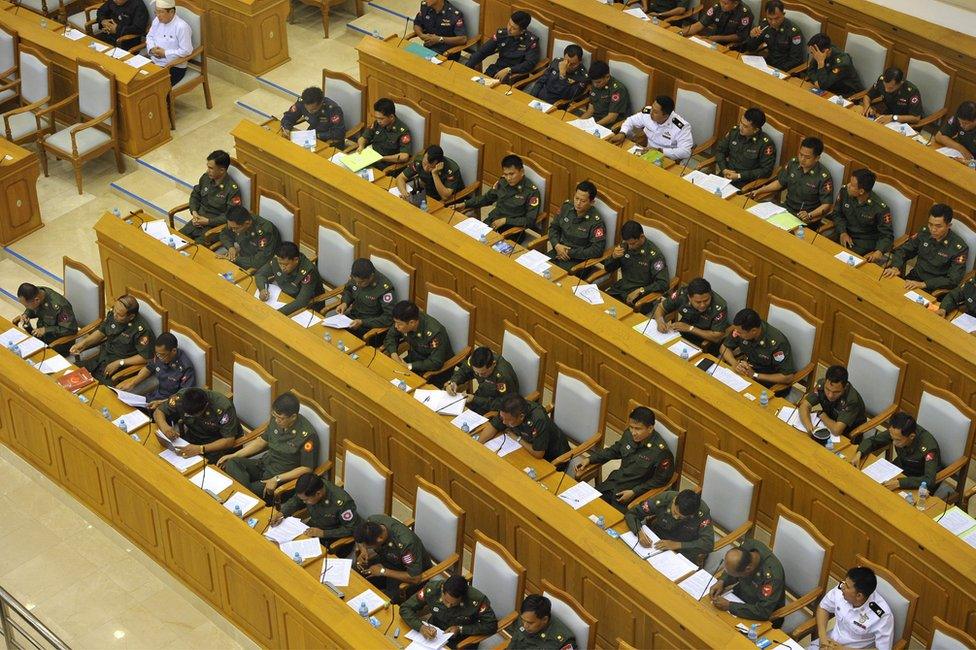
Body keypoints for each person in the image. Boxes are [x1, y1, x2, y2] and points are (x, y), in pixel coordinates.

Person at [218, 392, 318, 499]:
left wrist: (277, 479)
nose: (276, 420)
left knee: (247, 489)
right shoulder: (276, 419)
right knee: (232, 462)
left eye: (280, 418)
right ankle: (245, 494)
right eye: (275, 416)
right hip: (264, 464)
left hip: (281, 475)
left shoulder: (307, 435)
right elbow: (262, 441)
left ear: (293, 417)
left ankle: (243, 494)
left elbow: (307, 468)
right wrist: (234, 455)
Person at [577, 406, 674, 512]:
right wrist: (590, 459)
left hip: (629, 496)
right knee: (583, 507)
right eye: (632, 427)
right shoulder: (629, 434)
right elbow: (615, 450)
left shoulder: (661, 452)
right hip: (612, 484)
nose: (633, 432)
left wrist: (635, 491)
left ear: (650, 428)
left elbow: (660, 480)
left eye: (638, 429)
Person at [851, 412, 948, 497]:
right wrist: (860, 453)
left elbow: (929, 480)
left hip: (917, 479)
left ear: (911, 436)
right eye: (892, 437)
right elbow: (873, 441)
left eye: (897, 440)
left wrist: (899, 483)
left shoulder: (928, 448)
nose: (893, 442)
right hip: (901, 467)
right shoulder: (897, 431)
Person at [69, 294, 153, 386]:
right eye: (115, 311)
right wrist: (83, 344)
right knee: (69, 375)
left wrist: (120, 363)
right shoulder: (114, 313)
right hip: (100, 359)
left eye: (119, 314)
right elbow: (102, 331)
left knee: (96, 393)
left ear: (131, 317)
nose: (114, 315)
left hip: (116, 369)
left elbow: (146, 357)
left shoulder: (142, 330)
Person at [749, 136, 833, 226]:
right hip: (786, 209)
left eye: (807, 157)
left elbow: (826, 205)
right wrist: (758, 191)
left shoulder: (823, 176)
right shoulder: (793, 163)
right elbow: (779, 183)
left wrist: (810, 215)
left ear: (817, 158)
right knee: (754, 216)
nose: (802, 159)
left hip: (804, 218)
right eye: (801, 155)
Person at [883, 204, 968, 292]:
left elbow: (953, 280)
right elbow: (904, 250)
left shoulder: (959, 248)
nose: (933, 229)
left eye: (938, 226)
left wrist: (923, 284)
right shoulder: (924, 232)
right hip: (913, 279)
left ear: (948, 225)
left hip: (933, 288)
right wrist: (895, 267)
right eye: (930, 224)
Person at [400, 576, 499, 648]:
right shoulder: (432, 589)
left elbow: (491, 626)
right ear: (442, 589)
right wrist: (420, 627)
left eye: (453, 604)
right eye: (446, 601)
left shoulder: (476, 600)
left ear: (462, 597)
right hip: (434, 632)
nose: (448, 605)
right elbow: (405, 608)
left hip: (461, 640)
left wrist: (461, 629)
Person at [811, 567, 894, 650]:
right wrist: (822, 637)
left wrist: (843, 649)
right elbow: (824, 607)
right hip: (829, 642)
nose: (842, 586)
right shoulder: (842, 589)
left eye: (847, 586)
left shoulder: (882, 616)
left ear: (859, 596)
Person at [624, 489, 715, 565]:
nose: (676, 517)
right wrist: (639, 532)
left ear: (691, 515)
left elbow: (708, 544)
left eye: (681, 517)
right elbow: (633, 513)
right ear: (674, 501)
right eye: (675, 512)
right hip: (656, 543)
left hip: (682, 552)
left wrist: (677, 545)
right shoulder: (665, 499)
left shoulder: (701, 513)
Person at [354, 516, 432, 601]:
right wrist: (363, 550)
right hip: (386, 560)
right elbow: (360, 540)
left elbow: (415, 578)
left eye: (368, 546)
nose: (365, 547)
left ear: (380, 539)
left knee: (384, 601)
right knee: (355, 572)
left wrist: (382, 571)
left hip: (407, 572)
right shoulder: (372, 522)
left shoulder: (406, 545)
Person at [462, 154, 541, 240]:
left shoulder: (531, 191)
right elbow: (486, 198)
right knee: (470, 239)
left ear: (522, 172)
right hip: (493, 221)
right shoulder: (502, 182)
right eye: (505, 174)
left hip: (512, 230)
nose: (508, 178)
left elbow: (530, 220)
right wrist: (464, 204)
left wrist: (505, 220)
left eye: (511, 174)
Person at [154, 386, 241, 462]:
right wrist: (165, 427)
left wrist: (200, 449)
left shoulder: (223, 407)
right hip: (194, 436)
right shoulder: (181, 397)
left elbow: (228, 440)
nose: (189, 416)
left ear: (206, 406)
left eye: (193, 414)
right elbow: (159, 411)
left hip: (217, 443)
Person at [272, 473, 362, 544]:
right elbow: (296, 500)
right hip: (313, 527)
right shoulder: (309, 488)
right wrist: (282, 513)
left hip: (332, 537)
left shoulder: (343, 503)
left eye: (306, 500)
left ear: (318, 494)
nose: (304, 502)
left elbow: (351, 529)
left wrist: (323, 533)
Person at [708, 540, 786, 622]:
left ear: (748, 569)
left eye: (735, 575)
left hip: (760, 615)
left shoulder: (772, 577)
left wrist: (729, 606)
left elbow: (763, 611)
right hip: (740, 597)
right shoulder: (747, 547)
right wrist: (722, 581)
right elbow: (734, 568)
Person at [719, 308, 795, 390]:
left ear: (754, 331)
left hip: (769, 385)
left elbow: (788, 377)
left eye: (740, 333)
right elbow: (724, 347)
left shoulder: (777, 343)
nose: (736, 333)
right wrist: (735, 364)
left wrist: (755, 375)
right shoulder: (741, 329)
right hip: (746, 375)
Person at [481, 395, 569, 464]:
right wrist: (478, 444)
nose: (503, 422)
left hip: (553, 456)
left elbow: (539, 453)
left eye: (508, 420)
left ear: (521, 416)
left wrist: (518, 438)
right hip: (525, 449)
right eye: (502, 418)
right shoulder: (507, 411)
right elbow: (494, 426)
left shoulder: (538, 419)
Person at [114, 332, 195, 406]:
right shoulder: (160, 353)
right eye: (157, 354)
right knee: (123, 400)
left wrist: (161, 403)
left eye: (162, 355)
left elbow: (182, 396)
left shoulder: (186, 367)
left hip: (169, 403)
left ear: (173, 351)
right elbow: (148, 368)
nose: (159, 357)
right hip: (155, 393)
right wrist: (132, 383)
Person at [603, 220, 669, 309]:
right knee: (600, 308)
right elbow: (608, 268)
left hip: (641, 297)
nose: (629, 247)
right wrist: (613, 257)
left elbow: (663, 283)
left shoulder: (654, 256)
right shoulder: (625, 245)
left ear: (642, 237)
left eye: (633, 243)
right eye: (627, 243)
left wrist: (641, 290)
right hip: (621, 289)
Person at [609, 95, 694, 163]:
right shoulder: (648, 112)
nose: (651, 112)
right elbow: (630, 121)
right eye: (652, 107)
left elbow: (686, 151)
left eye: (656, 112)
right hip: (645, 152)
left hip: (667, 158)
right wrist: (622, 132)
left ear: (666, 115)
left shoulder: (681, 127)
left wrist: (660, 151)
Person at [180, 150, 242, 242]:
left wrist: (208, 221)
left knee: (193, 251)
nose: (207, 170)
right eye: (208, 167)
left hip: (215, 229)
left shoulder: (232, 189)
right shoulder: (205, 178)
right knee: (175, 239)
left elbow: (231, 216)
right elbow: (195, 195)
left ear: (221, 170)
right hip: (197, 222)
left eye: (211, 168)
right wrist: (194, 213)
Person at [831, 168, 893, 261]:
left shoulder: (880, 208)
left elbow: (886, 235)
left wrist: (879, 251)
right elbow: (837, 213)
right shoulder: (845, 192)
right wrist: (842, 232)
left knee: (841, 263)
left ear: (861, 191)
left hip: (863, 243)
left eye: (852, 185)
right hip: (842, 233)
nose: (848, 186)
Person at [652, 277, 730, 350]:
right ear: (689, 297)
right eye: (698, 302)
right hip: (680, 334)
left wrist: (690, 328)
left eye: (706, 300)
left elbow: (716, 337)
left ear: (710, 295)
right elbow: (661, 308)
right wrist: (660, 321)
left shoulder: (719, 306)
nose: (702, 305)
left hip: (703, 341)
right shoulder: (682, 294)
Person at [547, 181, 606, 272]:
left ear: (592, 202)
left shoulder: (596, 222)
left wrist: (569, 252)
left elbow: (597, 250)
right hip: (558, 250)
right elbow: (554, 227)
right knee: (534, 269)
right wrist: (556, 245)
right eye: (576, 198)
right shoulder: (566, 207)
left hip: (578, 261)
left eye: (583, 201)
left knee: (555, 278)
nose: (578, 203)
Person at [465, 11, 539, 84]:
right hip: (497, 69)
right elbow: (483, 51)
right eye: (509, 24)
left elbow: (530, 63)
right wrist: (468, 66)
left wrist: (509, 70)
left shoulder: (531, 42)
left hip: (514, 76)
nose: (509, 29)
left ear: (522, 31)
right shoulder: (502, 34)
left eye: (514, 28)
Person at [383, 300, 454, 377]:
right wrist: (394, 354)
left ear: (412, 323)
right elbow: (391, 336)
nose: (396, 326)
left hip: (435, 371)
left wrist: (409, 366)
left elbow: (435, 362)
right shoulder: (404, 319)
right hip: (414, 359)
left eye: (399, 324)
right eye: (395, 322)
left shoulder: (435, 333)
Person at [254, 242, 325, 316]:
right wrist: (262, 289)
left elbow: (301, 302)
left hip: (308, 306)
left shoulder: (308, 272)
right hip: (284, 297)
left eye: (285, 265)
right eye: (280, 264)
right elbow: (260, 274)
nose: (282, 268)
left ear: (296, 260)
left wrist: (276, 313)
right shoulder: (278, 259)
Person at [445, 346, 520, 415]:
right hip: (479, 397)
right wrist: (454, 382)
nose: (479, 375)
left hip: (494, 409)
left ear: (493, 364)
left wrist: (475, 399)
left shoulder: (503, 376)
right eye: (476, 372)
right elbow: (464, 371)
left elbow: (506, 404)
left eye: (483, 373)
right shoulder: (474, 360)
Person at [713, 107, 776, 187]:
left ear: (756, 130)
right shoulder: (734, 132)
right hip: (725, 176)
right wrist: (724, 169)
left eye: (745, 126)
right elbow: (720, 150)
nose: (740, 127)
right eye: (741, 122)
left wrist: (739, 176)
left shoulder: (765, 144)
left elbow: (766, 171)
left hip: (745, 184)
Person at [798, 365, 866, 439]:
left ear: (845, 387)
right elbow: (804, 405)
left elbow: (837, 430)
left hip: (848, 434)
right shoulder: (822, 384)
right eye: (827, 389)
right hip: (829, 424)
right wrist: (810, 428)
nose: (830, 395)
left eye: (836, 392)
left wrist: (822, 415)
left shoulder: (852, 400)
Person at [336, 258, 396, 340]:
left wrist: (362, 322)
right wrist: (345, 303)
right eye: (356, 281)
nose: (357, 284)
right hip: (351, 320)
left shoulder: (384, 289)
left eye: (361, 282)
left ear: (371, 276)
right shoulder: (357, 275)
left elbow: (388, 318)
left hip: (369, 329)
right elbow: (349, 290)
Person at [13, 283, 78, 356]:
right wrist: (26, 314)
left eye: (26, 305)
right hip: (41, 338)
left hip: (58, 344)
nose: (26, 307)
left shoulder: (59, 306)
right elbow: (34, 309)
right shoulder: (36, 293)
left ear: (37, 300)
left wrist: (45, 330)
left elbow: (71, 329)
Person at [742, 0, 804, 72]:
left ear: (783, 14)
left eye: (777, 18)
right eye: (770, 19)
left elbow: (796, 60)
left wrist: (776, 70)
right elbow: (751, 48)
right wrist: (752, 37)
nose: (773, 22)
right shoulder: (765, 25)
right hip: (767, 65)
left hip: (784, 69)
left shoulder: (794, 32)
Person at [216, 205, 280, 271]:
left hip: (254, 266)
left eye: (235, 228)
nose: (233, 230)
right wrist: (230, 247)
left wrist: (235, 259)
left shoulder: (265, 231)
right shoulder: (236, 221)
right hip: (241, 255)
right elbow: (224, 234)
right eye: (231, 227)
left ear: (247, 223)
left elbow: (258, 262)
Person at [280, 86, 346, 148]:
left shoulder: (333, 109)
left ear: (321, 102)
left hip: (330, 141)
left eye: (314, 109)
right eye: (307, 109)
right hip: (310, 136)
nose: (309, 112)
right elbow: (289, 117)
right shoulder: (302, 101)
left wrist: (317, 135)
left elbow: (339, 133)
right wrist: (286, 128)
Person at [145, 0, 192, 86]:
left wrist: (165, 53)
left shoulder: (181, 27)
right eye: (156, 12)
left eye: (161, 12)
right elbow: (149, 36)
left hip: (174, 67)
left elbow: (186, 51)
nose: (158, 16)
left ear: (172, 12)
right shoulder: (156, 20)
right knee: (137, 82)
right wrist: (151, 49)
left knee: (152, 87)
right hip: (154, 61)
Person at [396, 144, 465, 203]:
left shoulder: (451, 170)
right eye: (424, 163)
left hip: (448, 201)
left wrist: (435, 174)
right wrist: (404, 193)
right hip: (427, 195)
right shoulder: (419, 160)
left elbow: (445, 197)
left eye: (430, 167)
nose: (426, 168)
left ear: (439, 164)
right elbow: (400, 178)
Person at [357, 98, 412, 170]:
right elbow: (363, 138)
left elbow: (404, 156)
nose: (378, 121)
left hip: (385, 166)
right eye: (377, 118)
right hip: (369, 158)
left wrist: (382, 158)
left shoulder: (402, 131)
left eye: (381, 118)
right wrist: (361, 146)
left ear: (391, 117)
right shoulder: (377, 123)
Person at [506, 594, 576, 650]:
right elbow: (514, 643)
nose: (525, 626)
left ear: (544, 620)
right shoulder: (526, 618)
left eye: (530, 623)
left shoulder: (563, 641)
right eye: (523, 620)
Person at [578, 61, 629, 128]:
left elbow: (611, 118)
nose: (595, 85)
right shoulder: (596, 84)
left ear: (607, 77)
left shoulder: (617, 89)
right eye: (593, 82)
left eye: (598, 82)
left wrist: (592, 127)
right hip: (594, 121)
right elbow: (590, 111)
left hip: (609, 126)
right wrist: (578, 123)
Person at [680, 0, 754, 46]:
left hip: (731, 44)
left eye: (725, 3)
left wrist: (717, 38)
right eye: (721, 1)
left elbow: (740, 36)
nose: (721, 4)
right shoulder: (717, 6)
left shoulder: (745, 13)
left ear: (735, 4)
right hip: (712, 40)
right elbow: (700, 24)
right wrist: (681, 33)